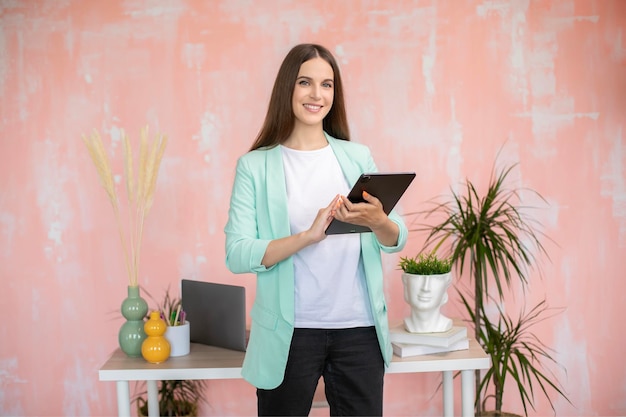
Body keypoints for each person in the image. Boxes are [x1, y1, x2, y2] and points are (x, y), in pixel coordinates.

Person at [224, 43, 408, 416]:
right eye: (305, 82)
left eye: (327, 85)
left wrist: (379, 222)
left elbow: (396, 237)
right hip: (289, 335)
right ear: (286, 89)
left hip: (360, 330)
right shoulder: (254, 166)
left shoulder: (357, 157)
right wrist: (306, 237)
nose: (316, 94)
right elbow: (237, 252)